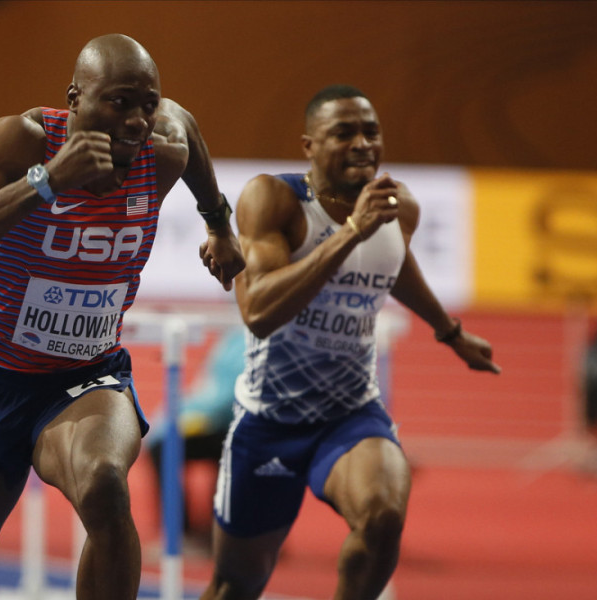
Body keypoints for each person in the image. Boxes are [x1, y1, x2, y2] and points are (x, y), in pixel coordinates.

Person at [0, 33, 245, 600]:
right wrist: (47, 183)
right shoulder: (20, 144)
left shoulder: (162, 147)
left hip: (85, 377)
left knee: (107, 490)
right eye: (118, 102)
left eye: (146, 103)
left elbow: (184, 122)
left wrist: (218, 222)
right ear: (75, 100)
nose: (137, 120)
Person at [200, 84, 501, 600]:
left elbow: (393, 263)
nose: (362, 143)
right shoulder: (273, 200)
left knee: (382, 515)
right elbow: (260, 313)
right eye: (343, 133)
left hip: (349, 413)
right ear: (309, 146)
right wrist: (350, 232)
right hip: (270, 420)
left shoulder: (397, 206)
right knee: (236, 585)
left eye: (371, 131)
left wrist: (448, 332)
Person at [146, 326, 245, 544]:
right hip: (216, 422)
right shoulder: (232, 337)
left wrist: (185, 420)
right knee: (163, 443)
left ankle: (222, 534)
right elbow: (207, 388)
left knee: (167, 441)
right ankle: (180, 533)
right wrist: (168, 417)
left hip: (237, 426)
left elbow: (226, 400)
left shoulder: (263, 338)